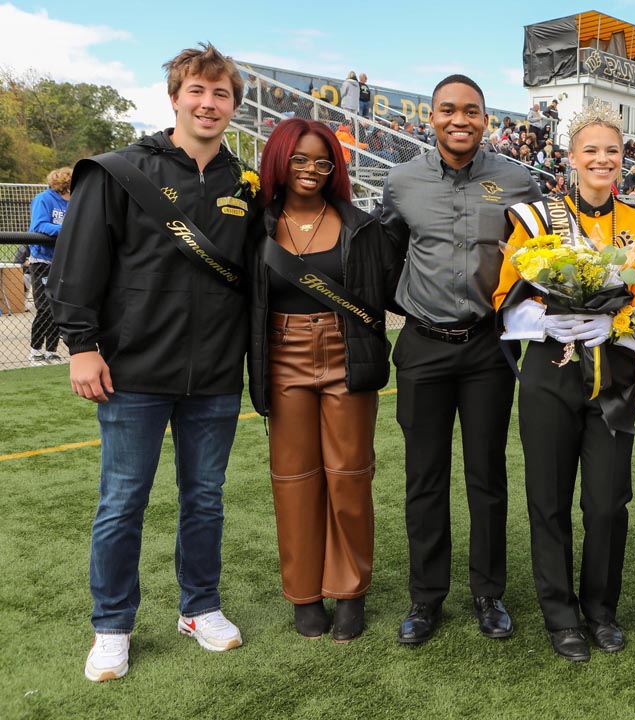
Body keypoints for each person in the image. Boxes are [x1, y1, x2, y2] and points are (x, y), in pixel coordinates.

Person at [49, 43, 257, 682]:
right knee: (122, 503)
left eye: (221, 94)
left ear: (233, 106)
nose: (209, 103)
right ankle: (111, 626)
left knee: (205, 498)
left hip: (216, 374)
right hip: (132, 372)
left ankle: (199, 607)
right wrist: (80, 345)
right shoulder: (117, 170)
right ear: (174, 97)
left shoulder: (244, 182)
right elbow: (76, 264)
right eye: (198, 91)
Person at [494, 98, 635, 662]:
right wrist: (549, 318)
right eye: (590, 150)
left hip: (613, 376)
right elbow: (506, 300)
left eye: (612, 151)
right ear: (570, 157)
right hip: (548, 371)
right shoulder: (535, 220)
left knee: (606, 502)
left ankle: (601, 609)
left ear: (624, 160)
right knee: (547, 498)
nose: (602, 159)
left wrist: (616, 323)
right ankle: (560, 614)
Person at [379, 74, 541, 646]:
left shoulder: (516, 180)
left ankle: (488, 593)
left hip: (487, 345)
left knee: (486, 474)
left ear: (485, 119)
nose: (460, 120)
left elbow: (537, 256)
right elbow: (387, 250)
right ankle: (426, 599)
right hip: (422, 343)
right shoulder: (401, 182)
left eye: (471, 110)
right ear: (432, 117)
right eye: (448, 110)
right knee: (424, 476)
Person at [246, 118, 403, 642]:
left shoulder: (361, 224)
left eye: (322, 161)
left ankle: (351, 591)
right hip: (282, 353)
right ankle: (305, 595)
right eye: (300, 159)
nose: (311, 170)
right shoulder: (255, 224)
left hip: (346, 354)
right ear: (280, 161)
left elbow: (390, 291)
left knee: (350, 477)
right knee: (294, 482)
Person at [27, 166, 71, 364]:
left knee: (59, 307)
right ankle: (35, 351)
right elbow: (39, 226)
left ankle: (51, 351)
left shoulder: (73, 202)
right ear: (65, 185)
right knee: (45, 308)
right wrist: (68, 228)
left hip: (63, 260)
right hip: (43, 261)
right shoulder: (44, 199)